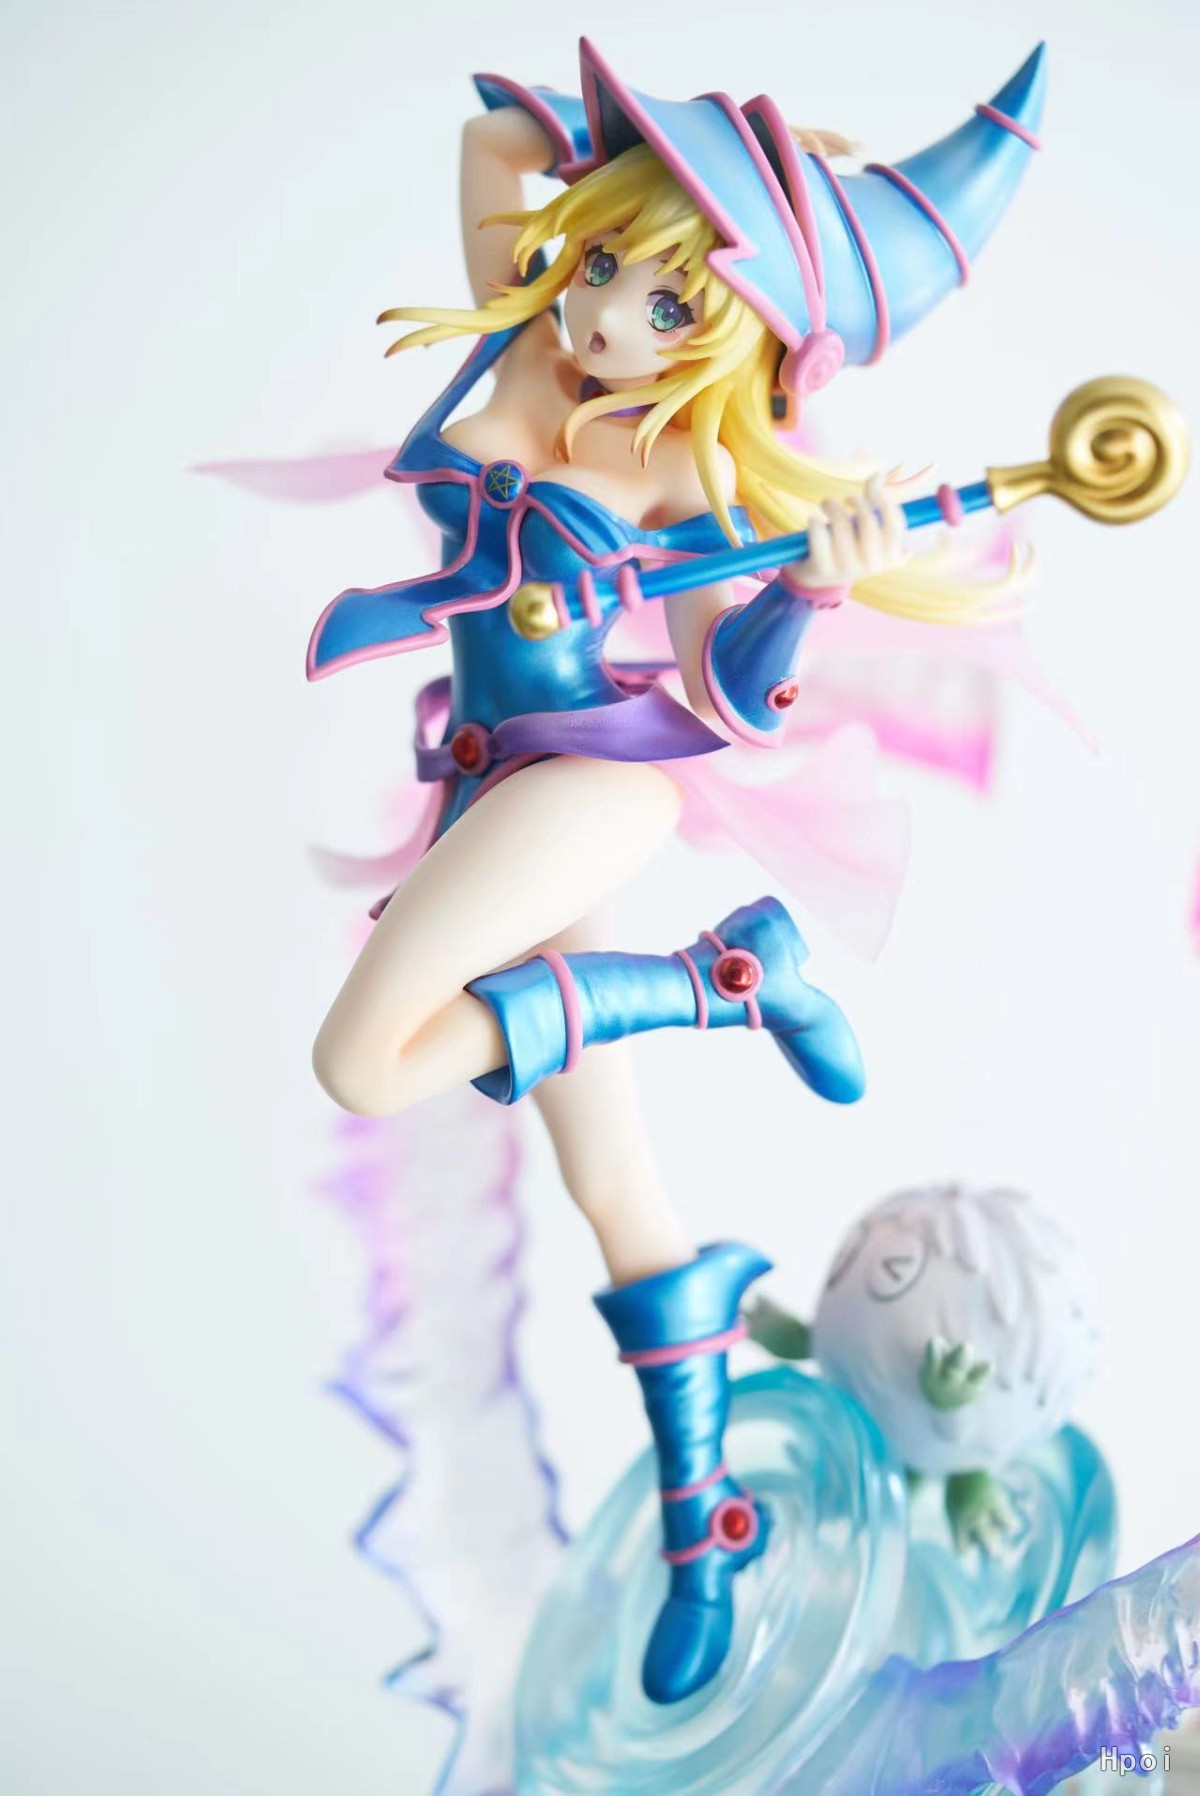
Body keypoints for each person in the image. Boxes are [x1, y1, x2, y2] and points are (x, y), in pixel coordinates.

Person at [308, 38, 1047, 1702]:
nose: (602, 314)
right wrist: (636, 151)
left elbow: (727, 693)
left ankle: (720, 984)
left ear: (734, 333)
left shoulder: (689, 469)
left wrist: (815, 585)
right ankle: (705, 1521)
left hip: (593, 786)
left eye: (664, 297)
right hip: (491, 793)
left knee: (362, 1063)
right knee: (612, 1183)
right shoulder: (523, 330)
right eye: (603, 267)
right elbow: (493, 141)